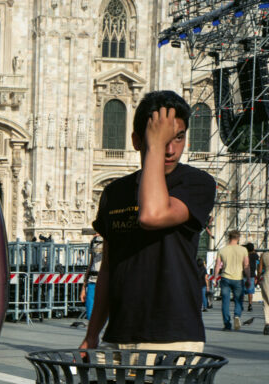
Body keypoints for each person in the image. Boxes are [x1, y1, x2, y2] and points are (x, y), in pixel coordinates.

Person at [81, 91, 216, 352]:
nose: (170, 149)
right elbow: (108, 268)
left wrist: (154, 146)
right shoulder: (114, 193)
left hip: (174, 337)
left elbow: (152, 215)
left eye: (178, 137)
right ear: (136, 140)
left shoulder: (196, 183)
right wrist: (92, 334)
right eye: (160, 138)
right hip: (118, 335)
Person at [213, 230, 249, 331]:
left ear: (229, 237)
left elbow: (217, 266)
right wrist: (249, 279)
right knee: (239, 300)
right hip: (238, 278)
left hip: (225, 278)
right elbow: (246, 266)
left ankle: (227, 325)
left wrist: (215, 278)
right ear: (238, 238)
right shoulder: (243, 250)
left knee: (225, 302)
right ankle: (237, 315)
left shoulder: (222, 250)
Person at [79, 234, 103, 319]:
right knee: (90, 315)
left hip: (105, 282)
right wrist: (83, 288)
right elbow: (91, 263)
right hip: (92, 281)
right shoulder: (94, 241)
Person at [244, 243, 259, 312]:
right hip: (252, 275)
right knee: (250, 291)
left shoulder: (245, 255)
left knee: (241, 290)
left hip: (243, 274)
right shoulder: (255, 255)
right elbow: (258, 263)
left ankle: (240, 304)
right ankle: (250, 304)